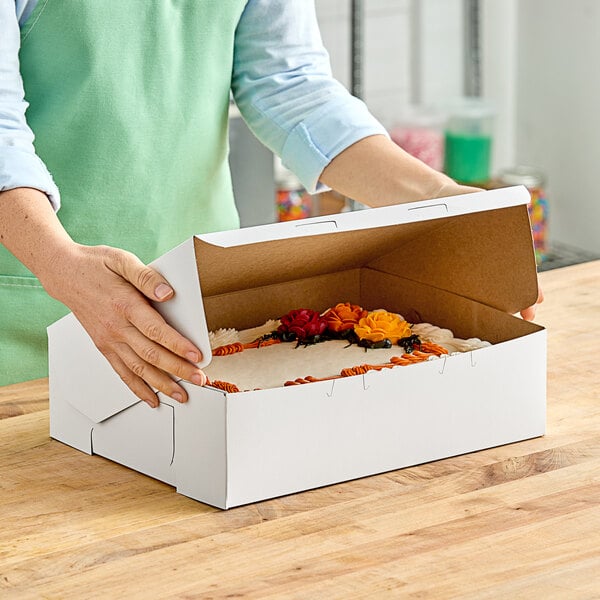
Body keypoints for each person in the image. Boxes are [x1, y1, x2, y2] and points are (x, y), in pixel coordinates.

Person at [0, 0, 540, 406]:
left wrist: (438, 200)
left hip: (198, 300)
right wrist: (58, 264)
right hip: (27, 308)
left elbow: (288, 85)